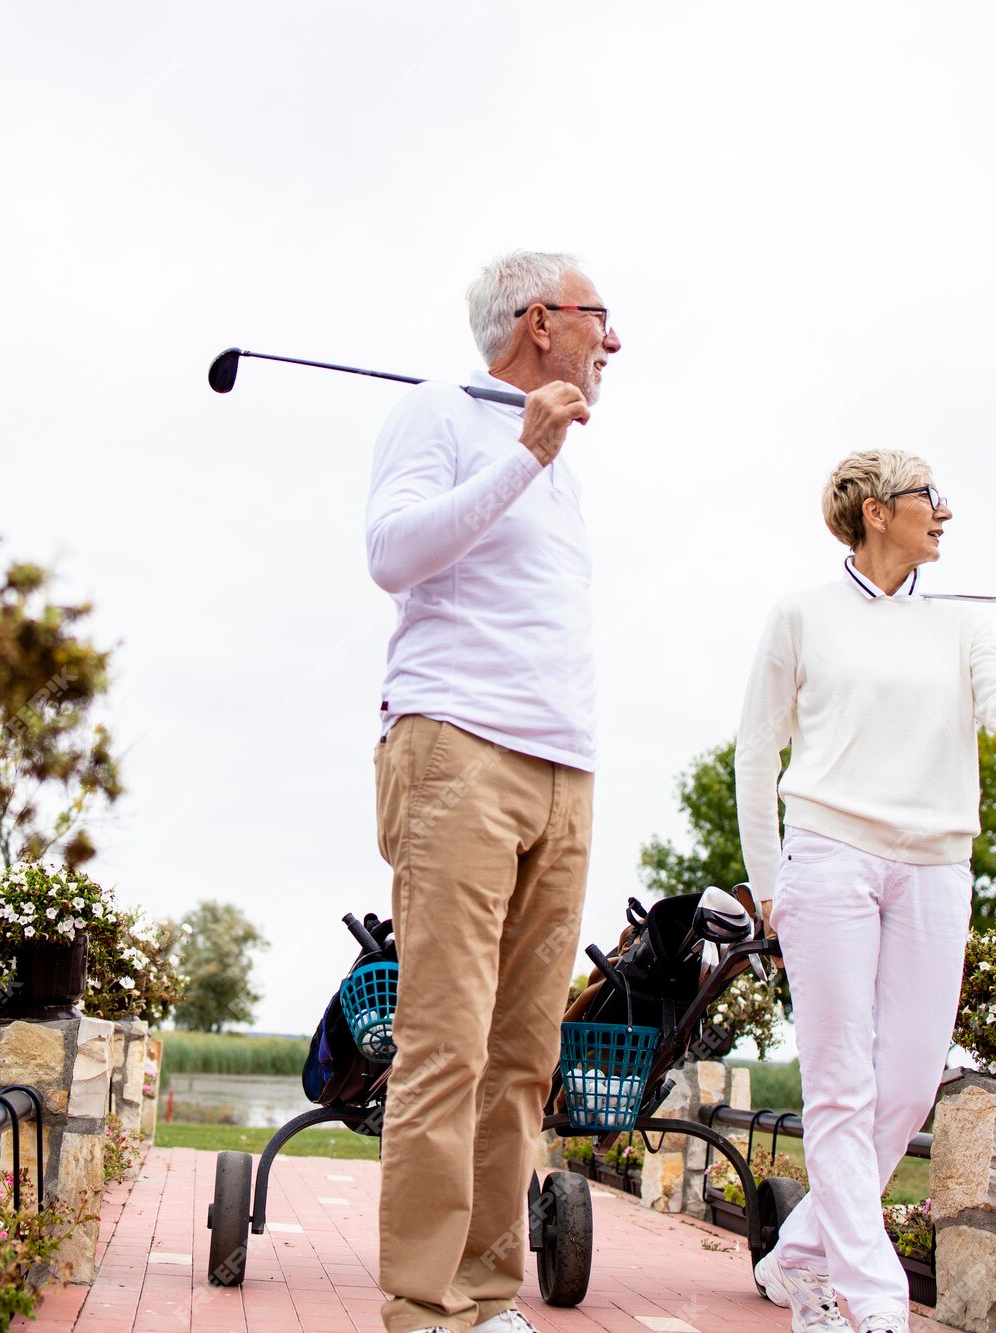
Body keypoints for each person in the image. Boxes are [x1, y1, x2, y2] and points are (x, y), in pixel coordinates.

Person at [735, 449, 996, 1333]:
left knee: (904, 1088)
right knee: (839, 1086)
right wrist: (769, 889)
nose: (944, 513)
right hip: (828, 858)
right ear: (875, 511)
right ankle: (866, 1303)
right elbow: (758, 752)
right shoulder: (799, 613)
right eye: (927, 498)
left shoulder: (961, 626)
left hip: (937, 866)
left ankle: (799, 1253)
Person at [365, 249, 620, 1333]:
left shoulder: (556, 457)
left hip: (564, 770)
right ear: (537, 320)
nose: (613, 341)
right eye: (599, 317)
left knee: (523, 1055)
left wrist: (536, 454)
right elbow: (390, 553)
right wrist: (520, 452)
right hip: (457, 749)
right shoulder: (442, 414)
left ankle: (481, 1293)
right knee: (446, 1040)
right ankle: (422, 1306)